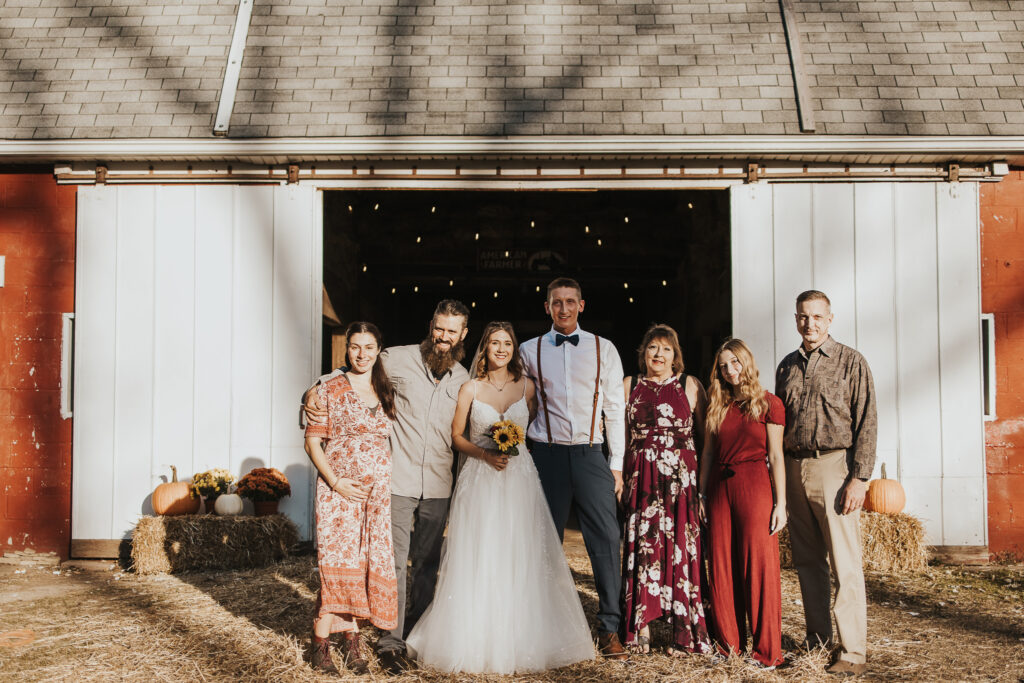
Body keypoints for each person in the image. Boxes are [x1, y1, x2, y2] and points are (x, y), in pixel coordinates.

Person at [406, 322, 595, 673]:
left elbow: (532, 425)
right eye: (494, 342)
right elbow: (457, 436)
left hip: (520, 480)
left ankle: (520, 635)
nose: (501, 348)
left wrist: (512, 447)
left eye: (507, 343)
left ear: (514, 348)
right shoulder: (470, 388)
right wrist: (484, 454)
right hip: (481, 479)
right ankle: (477, 637)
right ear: (485, 347)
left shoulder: (527, 387)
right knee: (482, 553)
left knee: (518, 551)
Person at [305, 300, 471, 675]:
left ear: (463, 335)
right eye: (439, 328)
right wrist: (313, 390)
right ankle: (389, 641)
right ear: (431, 325)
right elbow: (354, 368)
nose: (443, 337)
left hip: (440, 484)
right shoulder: (397, 358)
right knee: (391, 563)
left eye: (452, 331)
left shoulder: (464, 378)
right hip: (396, 481)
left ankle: (417, 636)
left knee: (428, 564)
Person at [519, 277, 629, 660]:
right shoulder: (528, 350)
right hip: (546, 454)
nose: (563, 309)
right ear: (546, 307)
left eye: (570, 302)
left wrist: (616, 465)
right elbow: (519, 404)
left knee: (604, 539)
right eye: (556, 303)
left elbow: (615, 408)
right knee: (543, 541)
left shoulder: (604, 348)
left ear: (582, 305)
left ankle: (610, 628)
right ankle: (543, 625)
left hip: (590, 453)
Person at [775, 290, 877, 676]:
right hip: (795, 465)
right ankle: (817, 640)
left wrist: (860, 478)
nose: (810, 324)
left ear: (830, 318)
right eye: (803, 316)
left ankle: (852, 650)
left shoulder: (851, 362)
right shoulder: (787, 366)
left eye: (817, 317)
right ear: (796, 318)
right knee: (806, 561)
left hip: (835, 467)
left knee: (845, 563)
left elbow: (867, 421)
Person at [304, 321, 398, 674]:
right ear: (347, 349)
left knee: (358, 569)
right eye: (355, 347)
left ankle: (353, 645)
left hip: (376, 499)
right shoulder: (329, 387)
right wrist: (337, 481)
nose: (362, 354)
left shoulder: (384, 387)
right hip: (338, 493)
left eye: (369, 347)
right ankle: (320, 647)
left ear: (378, 350)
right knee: (336, 567)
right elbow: (313, 442)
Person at [620, 324, 713, 656]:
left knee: (680, 551)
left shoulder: (690, 386)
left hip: (681, 481)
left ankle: (682, 630)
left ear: (676, 356)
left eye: (665, 349)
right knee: (643, 548)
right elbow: (617, 436)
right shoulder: (628, 384)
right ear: (643, 352)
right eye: (652, 348)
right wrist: (618, 476)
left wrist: (702, 488)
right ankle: (640, 626)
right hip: (641, 478)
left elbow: (707, 439)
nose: (658, 355)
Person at [700, 339, 787, 669]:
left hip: (754, 484)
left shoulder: (769, 404)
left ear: (747, 362)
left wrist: (781, 504)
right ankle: (728, 645)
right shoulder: (717, 405)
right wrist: (702, 494)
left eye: (735, 363)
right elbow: (708, 452)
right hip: (719, 487)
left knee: (759, 566)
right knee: (721, 565)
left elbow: (776, 456)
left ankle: (767, 652)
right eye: (723, 366)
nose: (729, 370)